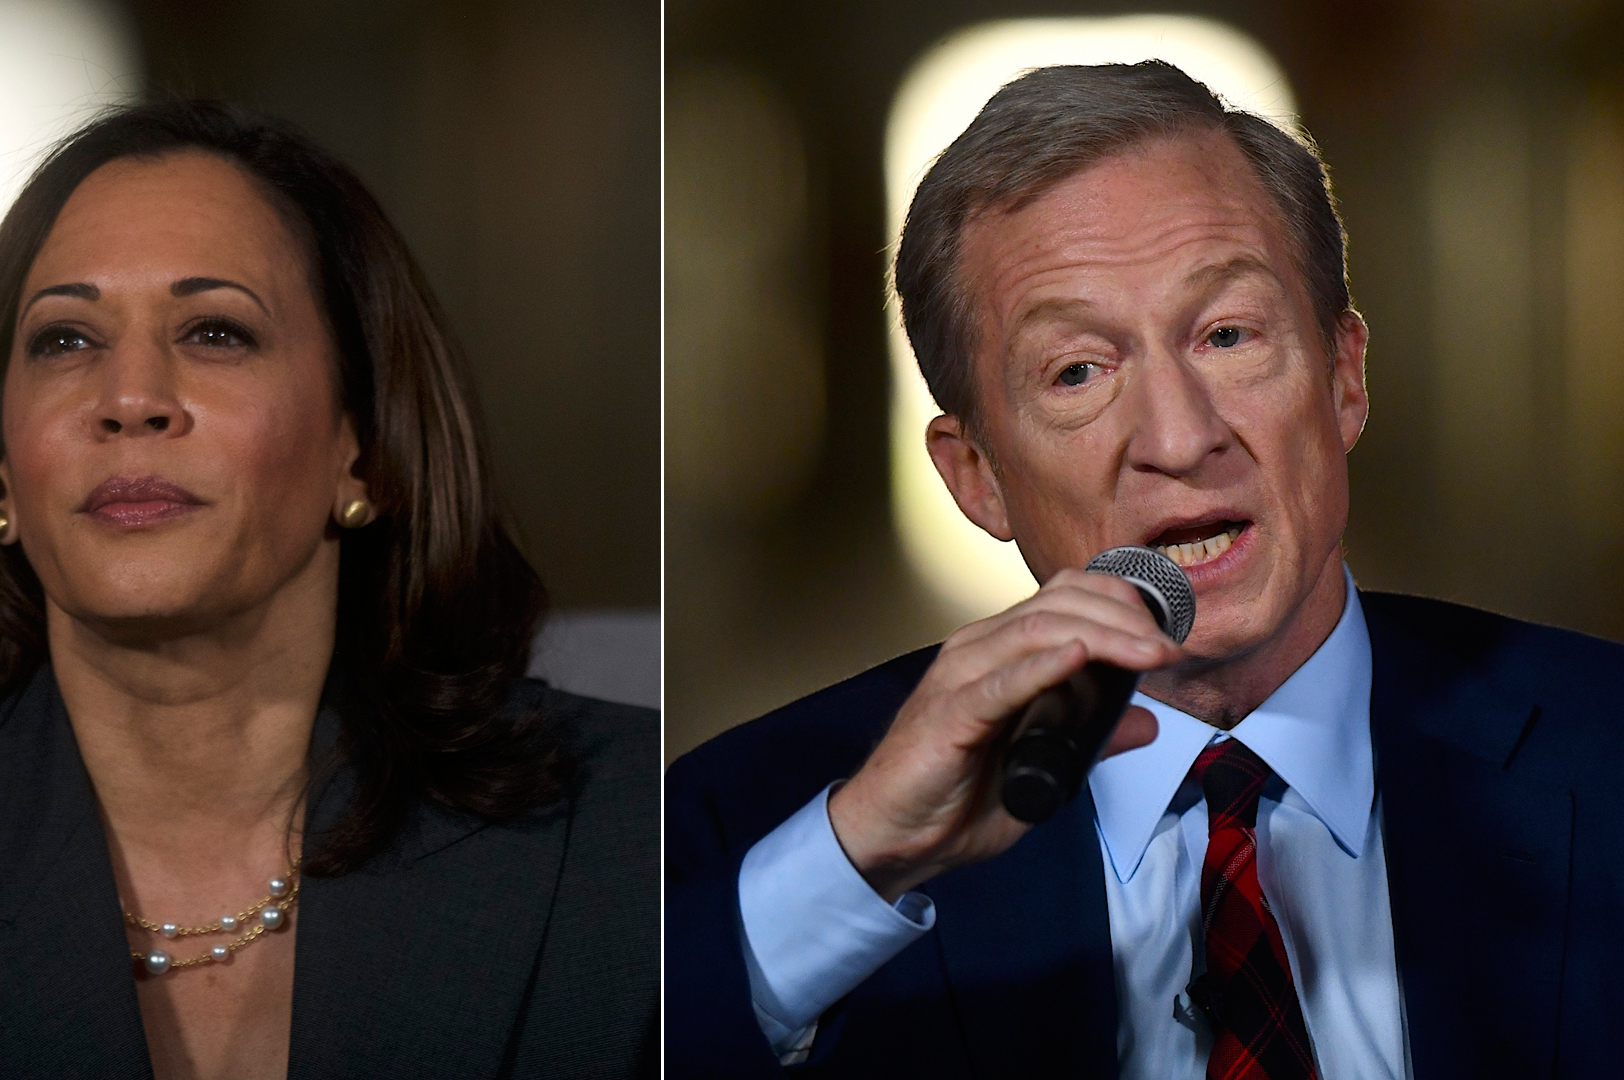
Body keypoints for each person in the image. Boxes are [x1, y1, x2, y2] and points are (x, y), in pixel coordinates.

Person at [666, 61, 1624, 1078]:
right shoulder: (750, 822)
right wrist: (860, 862)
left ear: (1345, 378)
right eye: (1078, 371)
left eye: (1226, 335)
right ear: (976, 475)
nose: (1177, 436)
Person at [0, 99, 657, 1079]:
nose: (129, 400)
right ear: (1, 475)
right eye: (66, 341)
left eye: (214, 333)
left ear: (363, 449)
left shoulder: (638, 835)